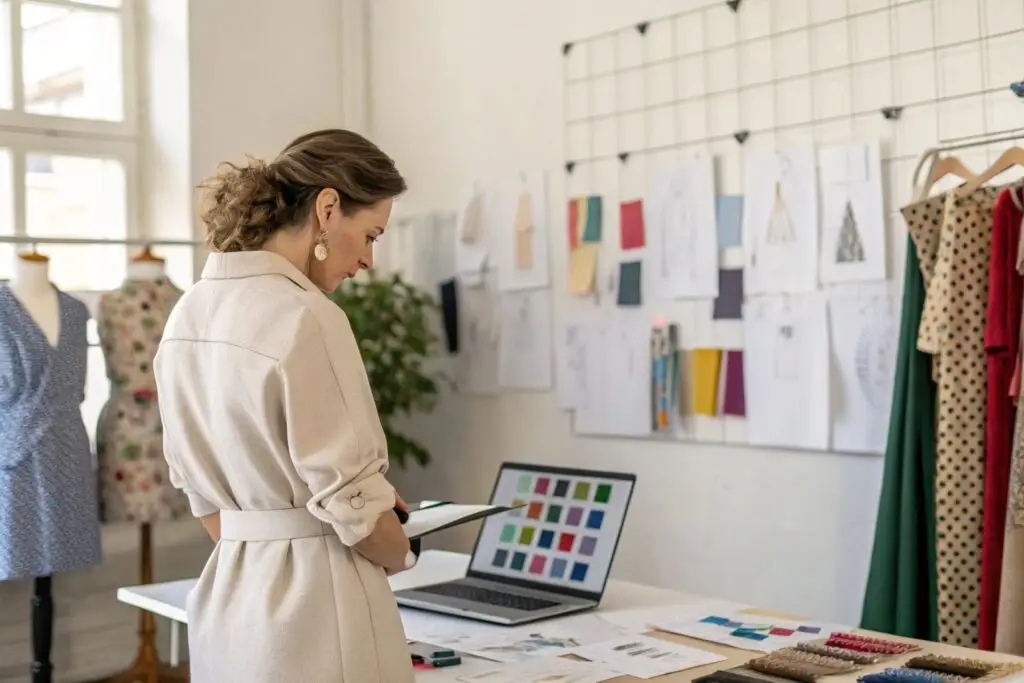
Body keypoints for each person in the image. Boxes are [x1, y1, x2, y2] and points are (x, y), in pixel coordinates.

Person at [154, 129, 415, 682]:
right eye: (370, 234)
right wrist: (401, 551)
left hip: (230, 599)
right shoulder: (308, 316)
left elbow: (207, 506)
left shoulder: (188, 314)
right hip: (321, 609)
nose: (368, 259)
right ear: (327, 209)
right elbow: (361, 513)